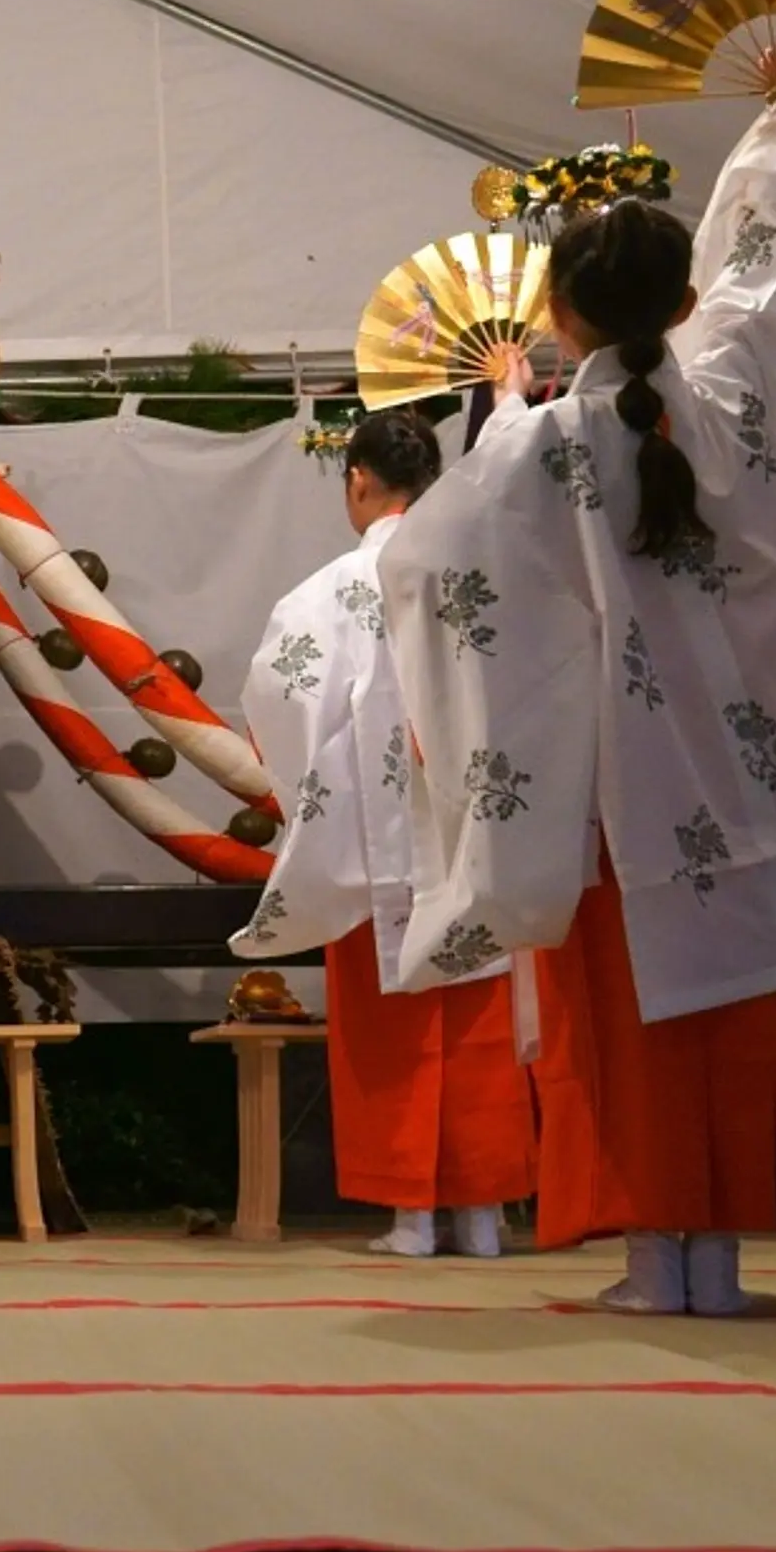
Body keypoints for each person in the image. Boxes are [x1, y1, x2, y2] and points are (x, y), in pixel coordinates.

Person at [378, 40, 776, 1315]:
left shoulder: (542, 440)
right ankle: (722, 1265)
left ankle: (658, 1262)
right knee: (740, 1005)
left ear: (560, 314)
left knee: (635, 1011)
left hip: (617, 786)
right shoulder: (734, 391)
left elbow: (430, 574)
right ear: (679, 297)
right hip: (754, 771)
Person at [231, 407, 533, 1257]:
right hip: (472, 831)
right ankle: (482, 1212)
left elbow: (281, 701)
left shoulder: (328, 592)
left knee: (392, 1022)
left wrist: (311, 793)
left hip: (375, 838)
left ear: (358, 481)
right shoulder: (474, 573)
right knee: (476, 1015)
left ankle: (410, 1215)